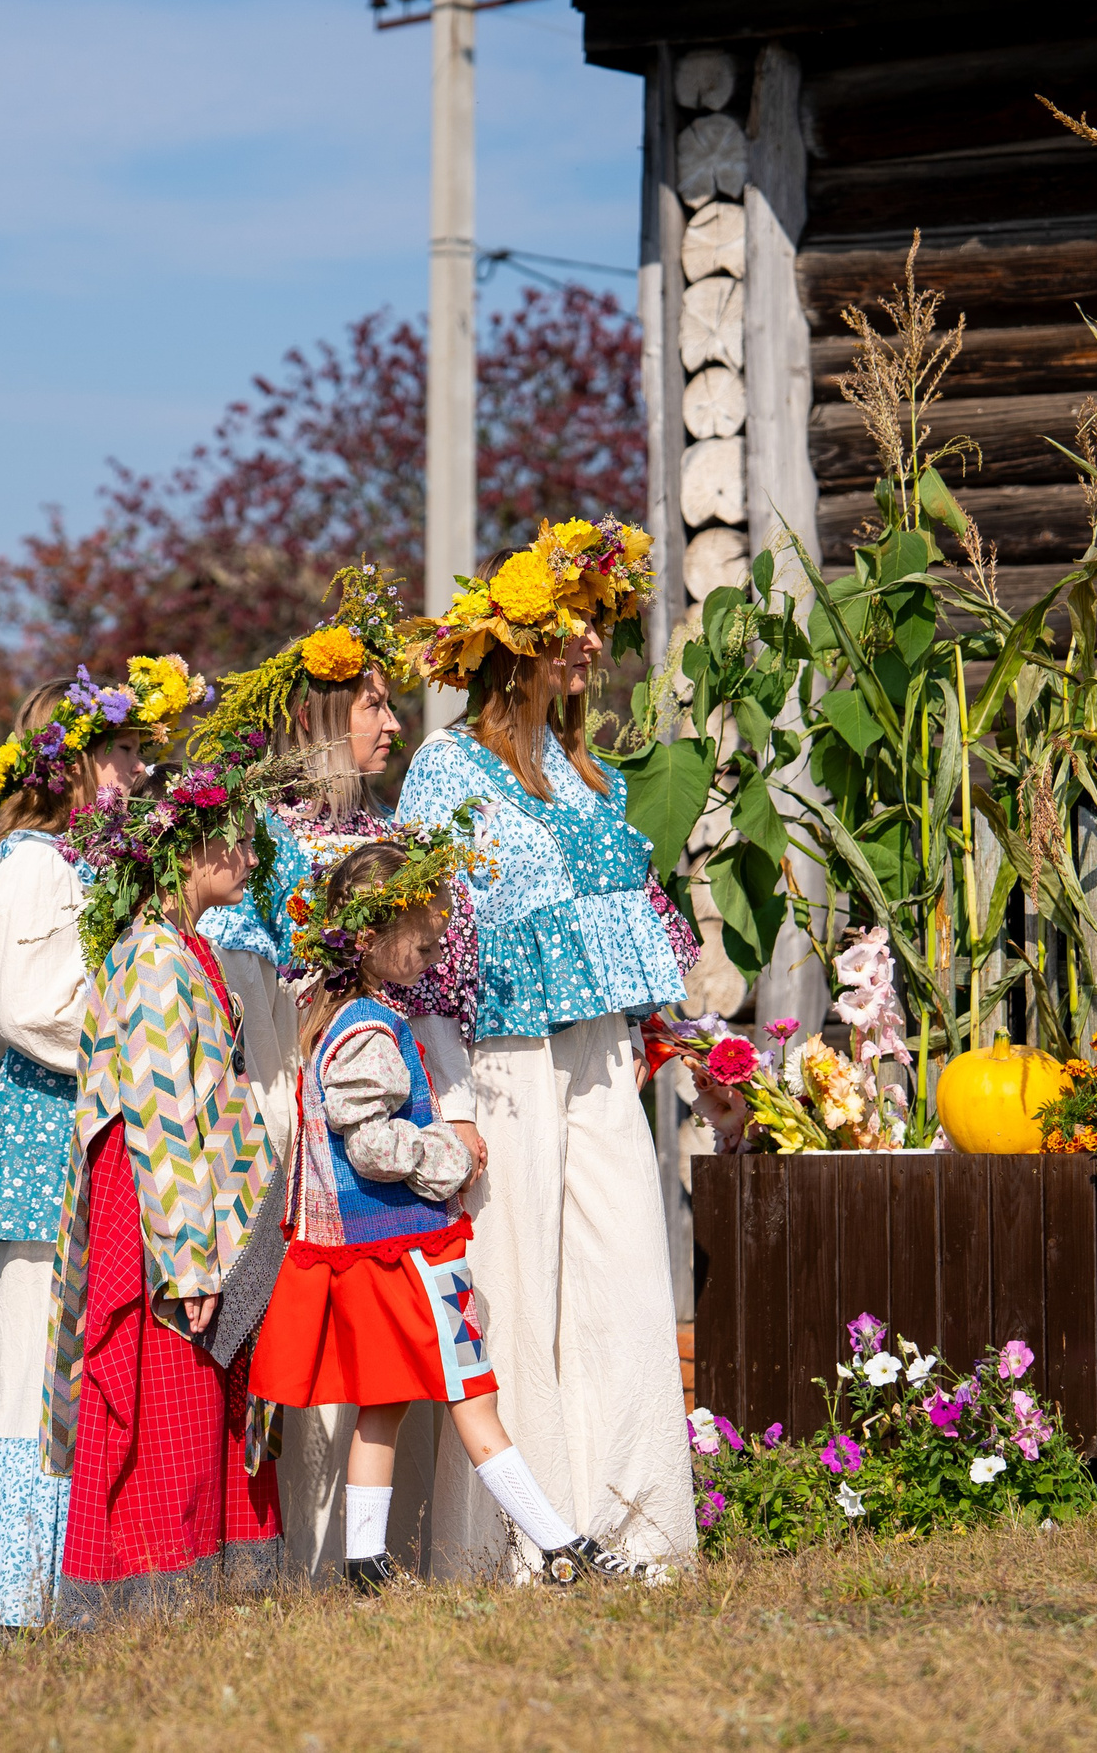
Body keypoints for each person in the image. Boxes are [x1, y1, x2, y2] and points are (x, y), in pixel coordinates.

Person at [392, 517, 704, 1578]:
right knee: (512, 1287)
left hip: (599, 1054)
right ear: (512, 643)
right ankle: (518, 1544)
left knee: (620, 1274)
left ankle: (634, 1528)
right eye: (570, 624)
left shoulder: (591, 777)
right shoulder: (446, 769)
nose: (588, 645)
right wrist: (450, 1098)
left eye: (595, 626)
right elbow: (420, 941)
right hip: (500, 1062)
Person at [250, 833, 656, 1590]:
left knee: (385, 1404)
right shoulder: (370, 1028)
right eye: (426, 941)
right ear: (372, 938)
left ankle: (365, 1564)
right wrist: (450, 1158)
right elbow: (370, 1144)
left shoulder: (342, 1017)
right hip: (405, 1255)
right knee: (476, 1396)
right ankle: (564, 1548)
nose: (437, 955)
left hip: (372, 1256)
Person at [188, 567, 481, 1577]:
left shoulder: (388, 840)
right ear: (320, 717)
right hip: (289, 1103)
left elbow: (436, 988)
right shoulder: (268, 845)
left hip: (380, 1098)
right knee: (297, 1333)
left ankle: (374, 1546)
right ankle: (291, 1554)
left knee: (376, 1343)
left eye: (392, 702)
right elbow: (237, 984)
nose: (392, 722)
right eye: (371, 703)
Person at [0, 656, 202, 1629]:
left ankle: (76, 1584)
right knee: (24, 1380)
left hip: (98, 1135)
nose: (136, 774)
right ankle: (12, 1601)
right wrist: (146, 1037)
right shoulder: (35, 866)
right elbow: (36, 1011)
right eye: (121, 755)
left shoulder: (96, 869)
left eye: (139, 754)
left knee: (82, 1371)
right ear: (68, 765)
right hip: (51, 1140)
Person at [38, 743, 306, 1623]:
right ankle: (146, 1594)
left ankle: (214, 1587)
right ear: (195, 848)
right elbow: (157, 1118)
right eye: (243, 840)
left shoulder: (185, 947)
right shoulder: (153, 958)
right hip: (161, 1215)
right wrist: (190, 1264)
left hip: (197, 1204)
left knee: (204, 1402)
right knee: (165, 1401)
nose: (256, 858)